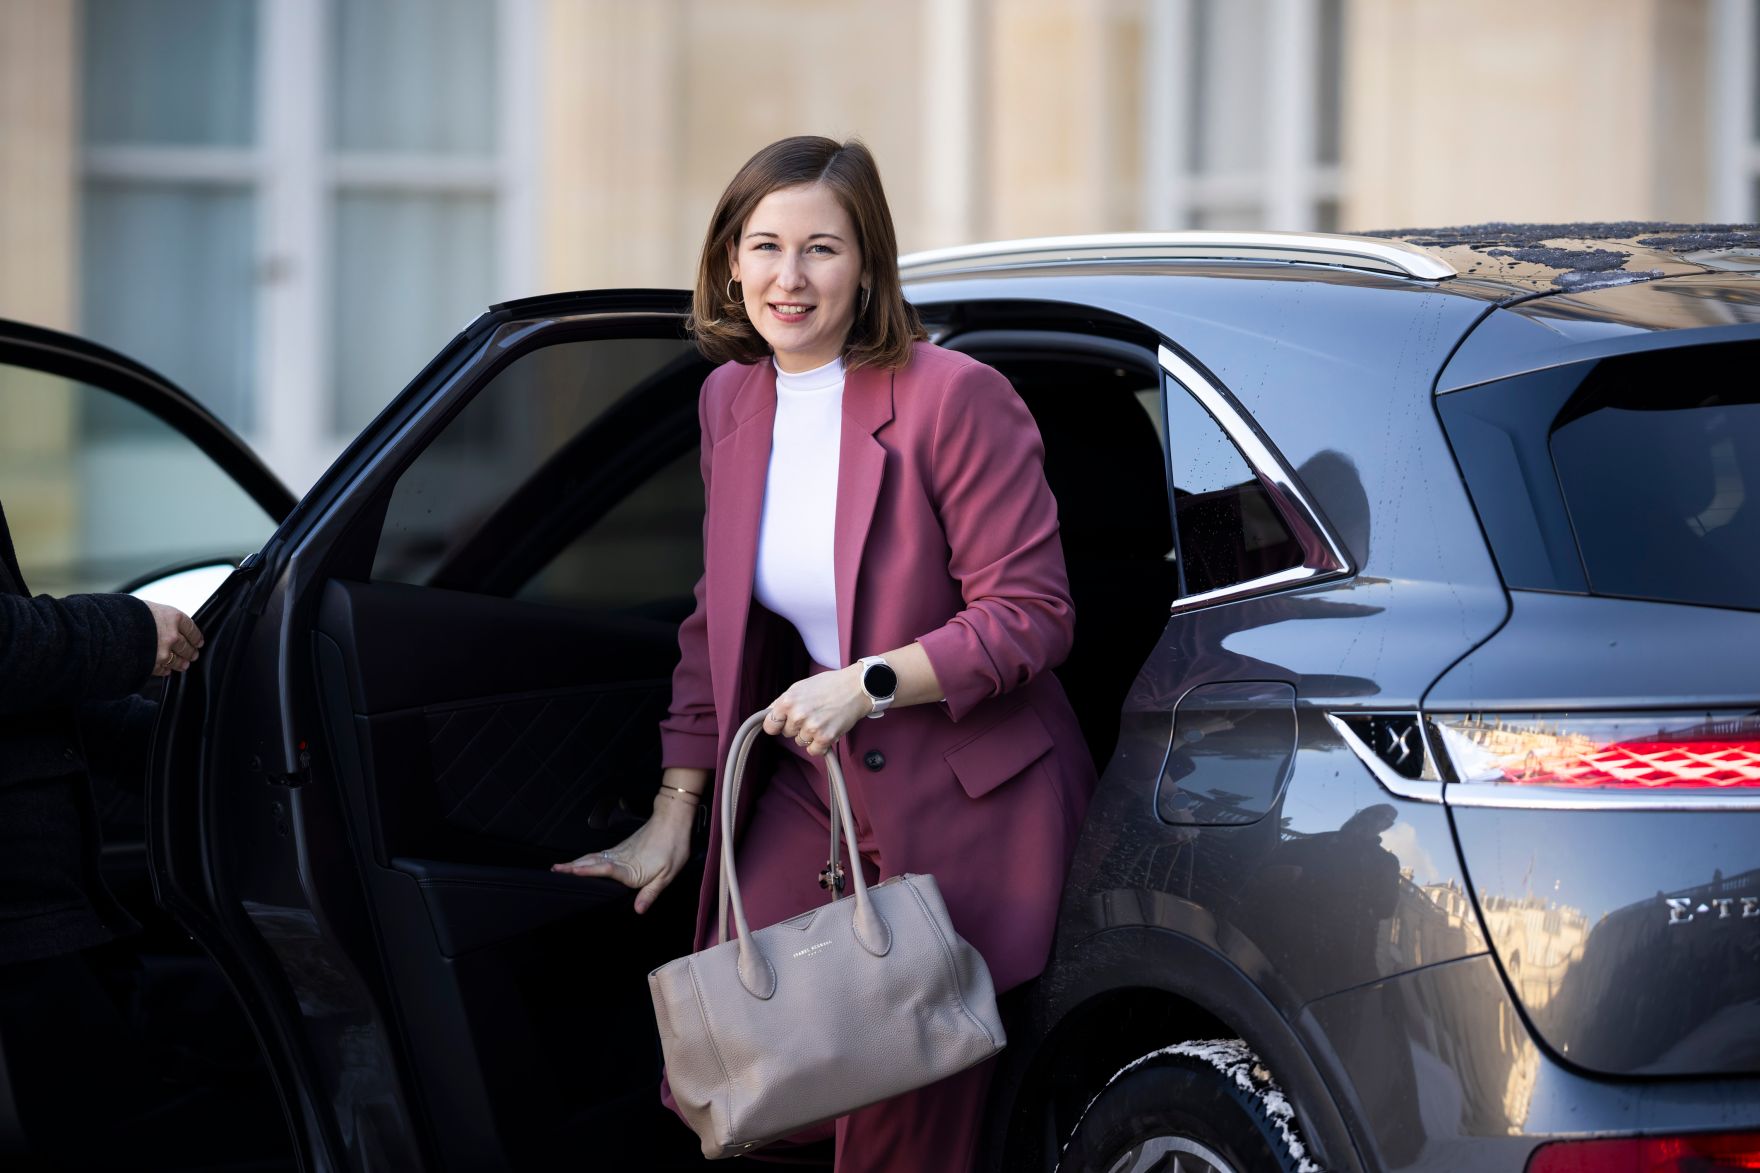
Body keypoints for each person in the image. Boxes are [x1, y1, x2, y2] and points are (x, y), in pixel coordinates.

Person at [554, 136, 1097, 1172]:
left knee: (898, 1099)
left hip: (967, 791)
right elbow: (717, 620)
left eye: (821, 249)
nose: (789, 278)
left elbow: (1032, 613)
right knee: (740, 1061)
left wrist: (868, 682)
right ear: (729, 261)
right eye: (765, 246)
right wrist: (674, 809)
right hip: (822, 782)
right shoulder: (730, 400)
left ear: (867, 264)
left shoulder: (952, 396)